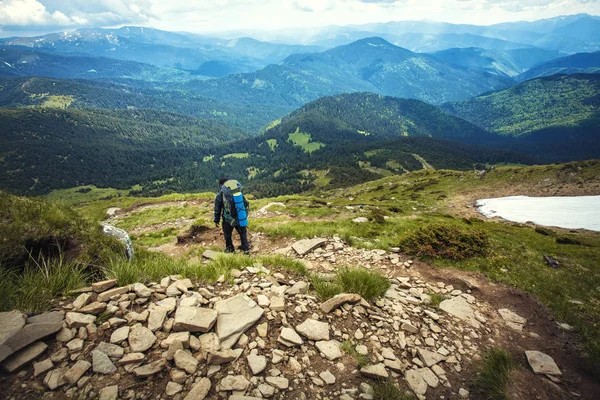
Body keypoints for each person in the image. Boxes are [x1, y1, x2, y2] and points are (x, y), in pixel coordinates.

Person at [214, 177, 250, 254]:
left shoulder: (220, 195)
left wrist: (216, 220)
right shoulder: (237, 192)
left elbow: (217, 209)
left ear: (221, 185)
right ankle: (246, 248)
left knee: (227, 235)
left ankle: (230, 249)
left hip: (228, 219)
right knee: (242, 232)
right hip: (240, 216)